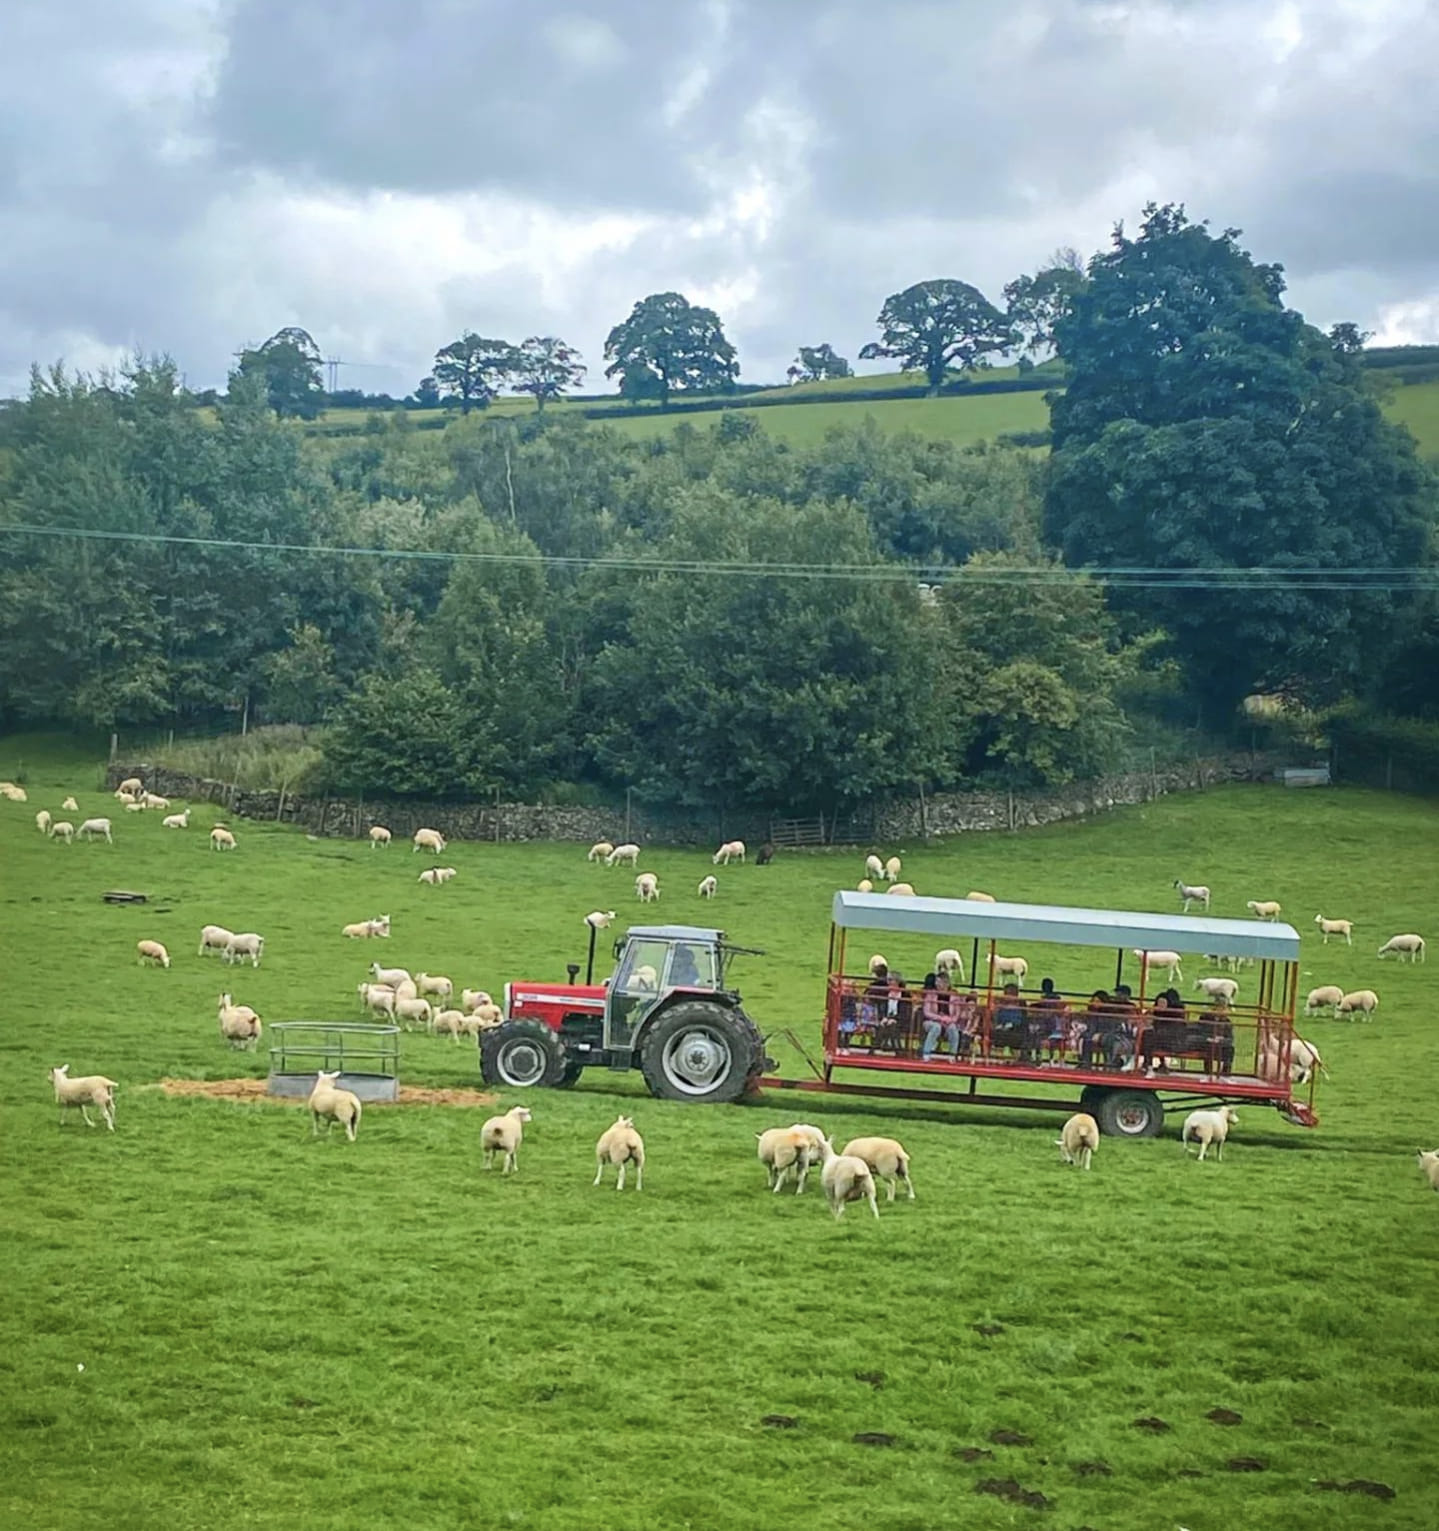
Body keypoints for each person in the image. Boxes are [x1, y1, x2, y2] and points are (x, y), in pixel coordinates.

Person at [920, 971, 962, 1060]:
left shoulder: (954, 996)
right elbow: (926, 1012)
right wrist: (940, 1018)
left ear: (946, 983)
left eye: (939, 982)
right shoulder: (931, 994)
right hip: (932, 1021)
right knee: (936, 1027)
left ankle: (952, 1055)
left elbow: (957, 1015)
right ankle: (926, 1053)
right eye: (936, 982)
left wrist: (949, 1020)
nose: (936, 984)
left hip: (948, 1022)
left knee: (953, 1029)